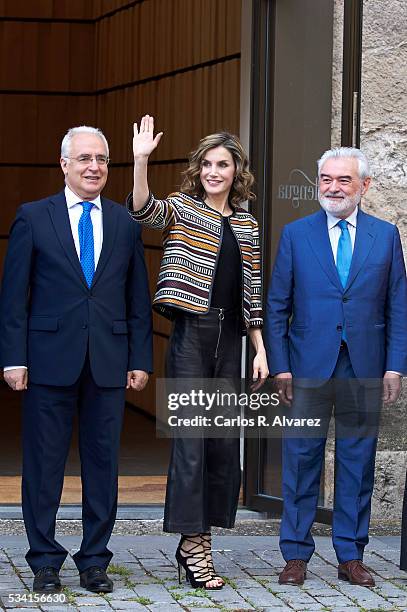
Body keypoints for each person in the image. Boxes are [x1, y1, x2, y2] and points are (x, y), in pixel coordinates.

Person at [0, 126, 153, 594]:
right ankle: (44, 560)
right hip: (47, 360)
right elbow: (14, 297)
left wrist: (140, 358)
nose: (94, 167)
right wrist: (13, 358)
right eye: (85, 158)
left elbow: (137, 299)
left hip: (108, 360)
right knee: (44, 465)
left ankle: (94, 561)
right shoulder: (33, 217)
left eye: (103, 159)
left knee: (103, 465)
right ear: (64, 164)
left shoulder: (125, 222)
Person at [127, 115, 269, 589]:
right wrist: (141, 160)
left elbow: (252, 291)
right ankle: (195, 547)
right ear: (198, 169)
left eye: (222, 164)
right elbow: (145, 211)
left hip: (232, 342)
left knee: (222, 445)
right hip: (192, 336)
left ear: (236, 171)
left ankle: (199, 542)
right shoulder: (185, 209)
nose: (213, 171)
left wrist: (260, 350)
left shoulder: (247, 223)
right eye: (207, 163)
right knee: (191, 445)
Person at [266, 147, 407, 587]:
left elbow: (398, 306)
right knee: (301, 460)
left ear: (364, 186)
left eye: (343, 180)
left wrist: (395, 366)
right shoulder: (296, 234)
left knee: (357, 462)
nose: (333, 187)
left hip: (364, 367)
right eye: (326, 179)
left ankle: (350, 554)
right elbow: (276, 307)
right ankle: (295, 556)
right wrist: (281, 367)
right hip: (307, 368)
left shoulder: (385, 236)